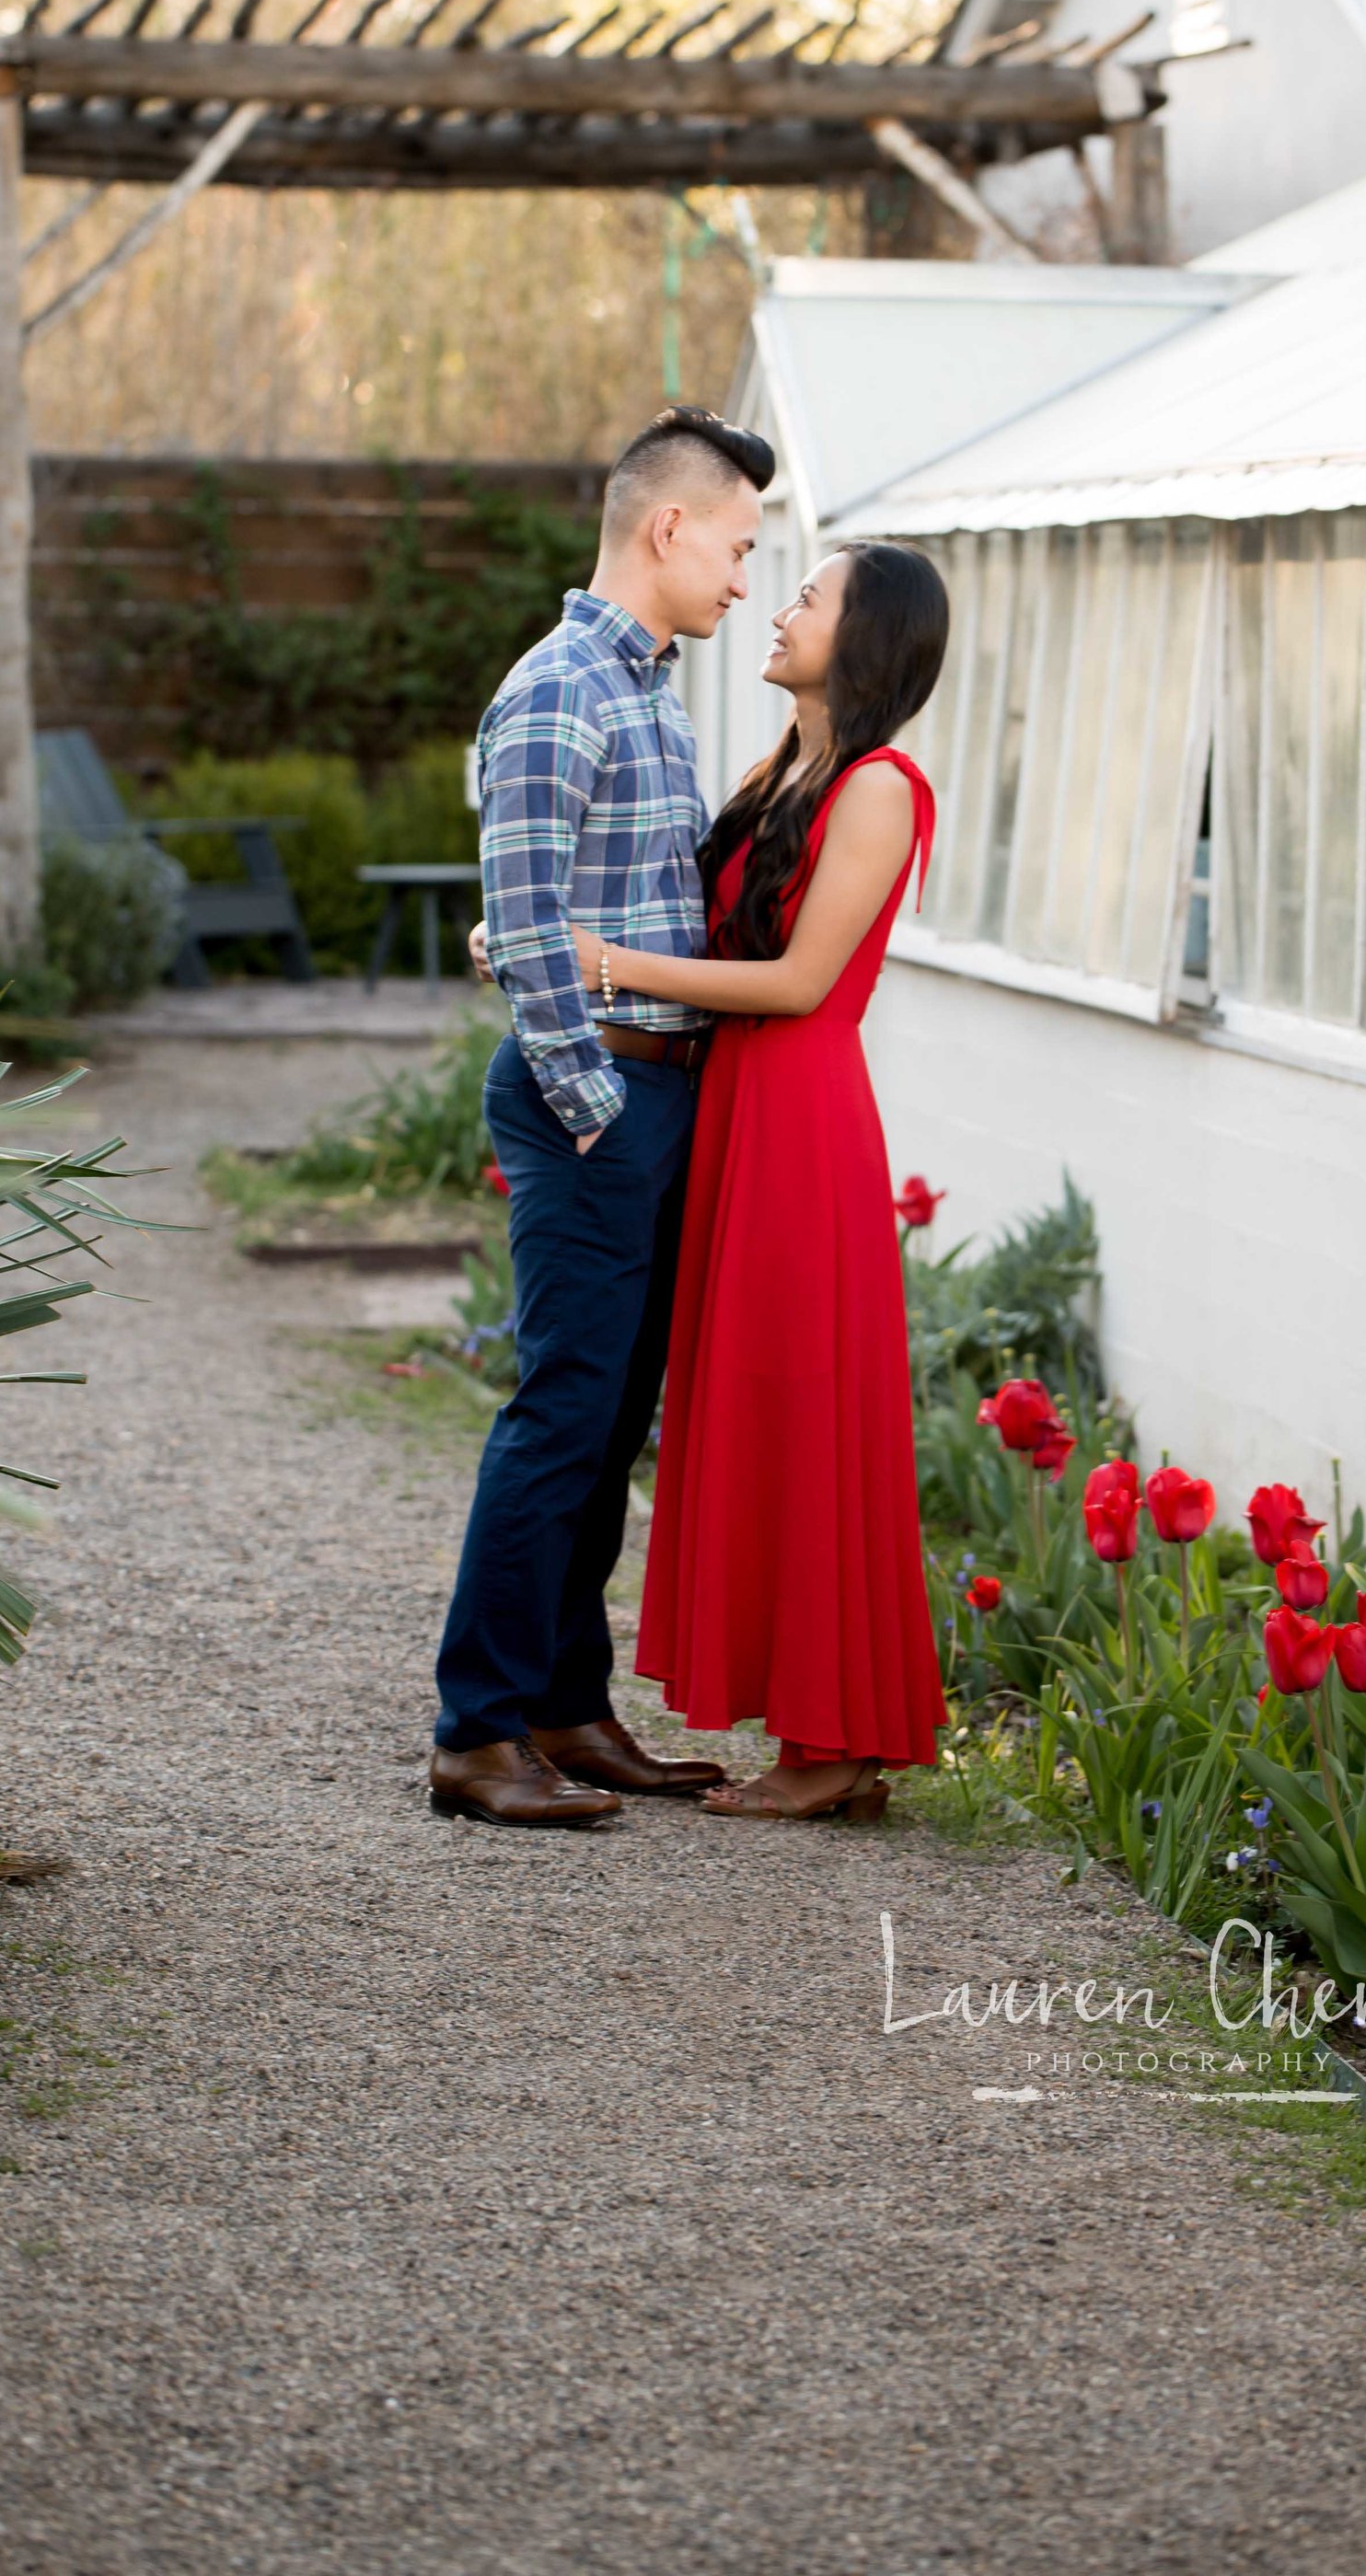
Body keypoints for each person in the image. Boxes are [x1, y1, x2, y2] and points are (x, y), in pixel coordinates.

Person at [429, 404, 774, 1827]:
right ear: (669, 525)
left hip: (648, 1083)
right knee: (561, 1410)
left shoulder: (646, 686)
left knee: (610, 1413)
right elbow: (522, 918)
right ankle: (477, 1728)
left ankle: (570, 1706)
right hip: (602, 1087)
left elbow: (599, 900)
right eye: (741, 547)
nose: (747, 580)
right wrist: (587, 1106)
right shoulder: (566, 684)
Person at [569, 539, 951, 1820]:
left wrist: (608, 965)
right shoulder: (784, 770)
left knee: (806, 1408)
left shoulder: (881, 788)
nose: (778, 611)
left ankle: (833, 1743)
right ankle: (818, 1735)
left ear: (869, 635)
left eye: (809, 598)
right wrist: (540, 939)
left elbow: (796, 983)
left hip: (801, 1118)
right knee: (750, 1405)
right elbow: (696, 924)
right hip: (737, 1107)